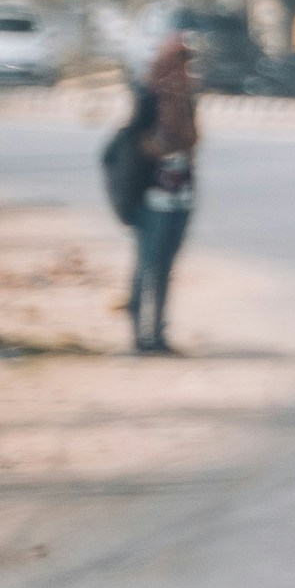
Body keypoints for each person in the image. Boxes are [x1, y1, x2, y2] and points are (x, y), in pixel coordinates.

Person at [98, 33, 200, 356]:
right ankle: (140, 336)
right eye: (178, 62)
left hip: (180, 198)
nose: (183, 70)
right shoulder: (147, 98)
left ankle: (157, 334)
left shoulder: (187, 99)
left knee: (165, 268)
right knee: (147, 267)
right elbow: (139, 144)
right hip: (151, 198)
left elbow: (192, 142)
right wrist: (166, 146)